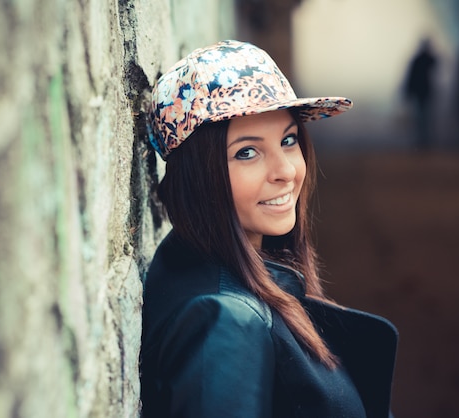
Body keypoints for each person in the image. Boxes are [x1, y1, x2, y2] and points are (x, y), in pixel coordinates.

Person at [141, 40, 398, 418]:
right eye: (247, 152)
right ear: (198, 176)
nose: (286, 171)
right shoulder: (224, 322)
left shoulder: (203, 258)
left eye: (288, 140)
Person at [404, 38, 438, 150]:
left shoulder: (418, 60)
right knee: (424, 118)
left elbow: (410, 78)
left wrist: (408, 92)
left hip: (422, 93)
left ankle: (424, 140)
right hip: (423, 92)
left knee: (423, 118)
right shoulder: (423, 60)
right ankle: (424, 140)